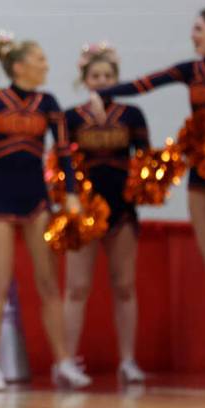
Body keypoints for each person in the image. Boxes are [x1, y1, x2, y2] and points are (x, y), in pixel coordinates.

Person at [92, 0, 205, 374]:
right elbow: (146, 83)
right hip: (199, 166)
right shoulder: (189, 70)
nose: (192, 35)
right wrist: (106, 93)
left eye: (198, 30)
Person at [0, 35, 90, 390]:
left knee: (47, 282)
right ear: (20, 65)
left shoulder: (50, 103)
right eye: (40, 59)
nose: (46, 64)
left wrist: (70, 194)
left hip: (36, 197)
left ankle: (63, 363)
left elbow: (65, 153)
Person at [63, 44, 150, 384]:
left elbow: (144, 160)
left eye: (108, 76)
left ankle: (128, 360)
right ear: (84, 80)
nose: (102, 81)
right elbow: (62, 163)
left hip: (122, 207)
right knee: (77, 287)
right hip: (83, 208)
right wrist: (72, 199)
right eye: (96, 76)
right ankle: (67, 360)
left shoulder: (132, 116)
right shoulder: (70, 118)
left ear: (117, 79)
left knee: (125, 284)